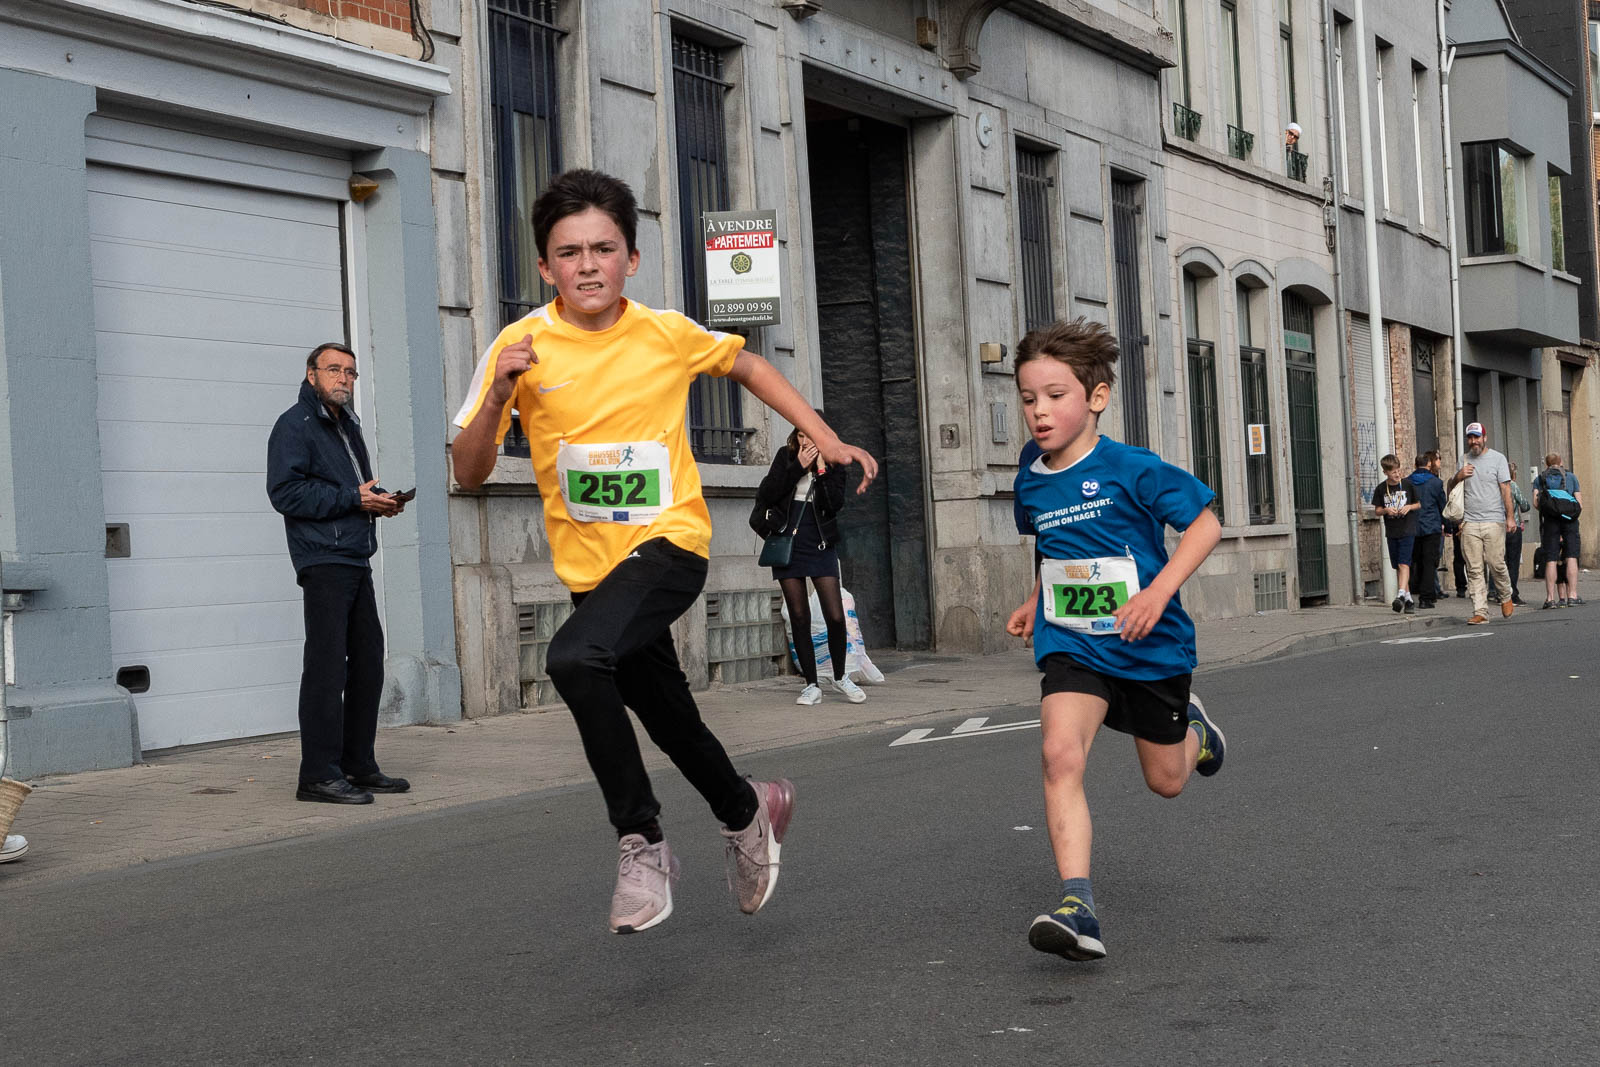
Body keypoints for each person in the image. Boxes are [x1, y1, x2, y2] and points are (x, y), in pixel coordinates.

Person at [450, 169, 878, 935]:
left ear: (631, 260)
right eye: (569, 251)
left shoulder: (665, 333)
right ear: (545, 267)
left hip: (670, 546)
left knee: (575, 660)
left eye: (604, 249)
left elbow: (746, 362)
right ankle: (750, 810)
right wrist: (493, 399)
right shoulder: (518, 347)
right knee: (668, 715)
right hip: (594, 571)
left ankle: (641, 841)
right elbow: (469, 470)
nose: (588, 264)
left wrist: (819, 431)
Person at [1003, 318, 1225, 963]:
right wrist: (1035, 597)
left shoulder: (1131, 467)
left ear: (1096, 397)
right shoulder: (1031, 475)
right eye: (1027, 398)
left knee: (1167, 782)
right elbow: (1050, 544)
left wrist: (1157, 595)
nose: (1039, 412)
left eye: (1055, 395)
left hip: (1149, 644)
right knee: (1059, 755)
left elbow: (1205, 525)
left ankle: (1199, 734)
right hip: (1071, 641)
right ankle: (1078, 905)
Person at [267, 342, 410, 804]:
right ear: (311, 375)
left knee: (368, 664)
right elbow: (286, 494)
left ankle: (357, 765)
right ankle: (317, 775)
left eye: (350, 372)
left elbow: (354, 489)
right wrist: (354, 499)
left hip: (353, 555)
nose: (344, 379)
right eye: (334, 370)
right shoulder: (295, 426)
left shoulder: (346, 427)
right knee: (327, 669)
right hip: (323, 560)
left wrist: (378, 500)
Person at [752, 417, 864, 706]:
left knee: (835, 616)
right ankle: (812, 684)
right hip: (788, 542)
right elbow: (766, 494)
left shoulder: (836, 461)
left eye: (810, 436)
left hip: (820, 542)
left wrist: (823, 469)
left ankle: (840, 677)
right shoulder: (786, 455)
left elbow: (833, 504)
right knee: (799, 616)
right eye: (800, 435)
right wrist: (797, 467)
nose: (804, 442)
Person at [1447, 422, 1515, 625]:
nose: (1473, 441)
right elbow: (1451, 487)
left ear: (1484, 438)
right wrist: (1459, 476)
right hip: (1469, 522)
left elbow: (1506, 490)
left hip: (1493, 520)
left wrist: (1510, 517)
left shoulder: (1498, 459)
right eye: (1470, 438)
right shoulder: (1464, 459)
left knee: (1496, 563)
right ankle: (1480, 611)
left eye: (1477, 437)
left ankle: (1505, 594)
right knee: (1474, 569)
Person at [1535, 452, 1584, 609]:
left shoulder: (1540, 479)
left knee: (1551, 558)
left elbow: (1537, 503)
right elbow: (1579, 503)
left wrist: (1551, 509)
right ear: (1561, 462)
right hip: (1570, 520)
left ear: (1547, 465)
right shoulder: (1571, 477)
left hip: (1550, 521)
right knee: (1571, 556)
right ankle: (1572, 596)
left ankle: (1550, 599)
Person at [1372, 454, 1420, 613]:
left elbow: (1418, 504)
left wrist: (1409, 507)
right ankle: (1409, 600)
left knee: (1404, 563)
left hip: (1407, 528)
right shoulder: (1381, 489)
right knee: (1398, 566)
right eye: (1393, 472)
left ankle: (1400, 595)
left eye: (1398, 470)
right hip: (1392, 530)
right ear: (1385, 472)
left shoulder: (1408, 485)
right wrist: (1386, 510)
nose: (1397, 474)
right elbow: (1377, 510)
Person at [1405, 452, 1446, 609]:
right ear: (1428, 465)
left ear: (1415, 465)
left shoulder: (1407, 482)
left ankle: (1415, 592)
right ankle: (1427, 597)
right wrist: (1447, 525)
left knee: (1416, 561)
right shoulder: (1435, 483)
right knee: (1429, 563)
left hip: (1412, 527)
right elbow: (1443, 506)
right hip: (1431, 527)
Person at [1505, 460, 1530, 605]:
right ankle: (1512, 594)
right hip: (1512, 526)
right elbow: (1525, 505)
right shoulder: (1512, 486)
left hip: (1497, 527)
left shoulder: (1494, 486)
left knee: (1499, 562)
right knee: (1513, 562)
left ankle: (1496, 592)